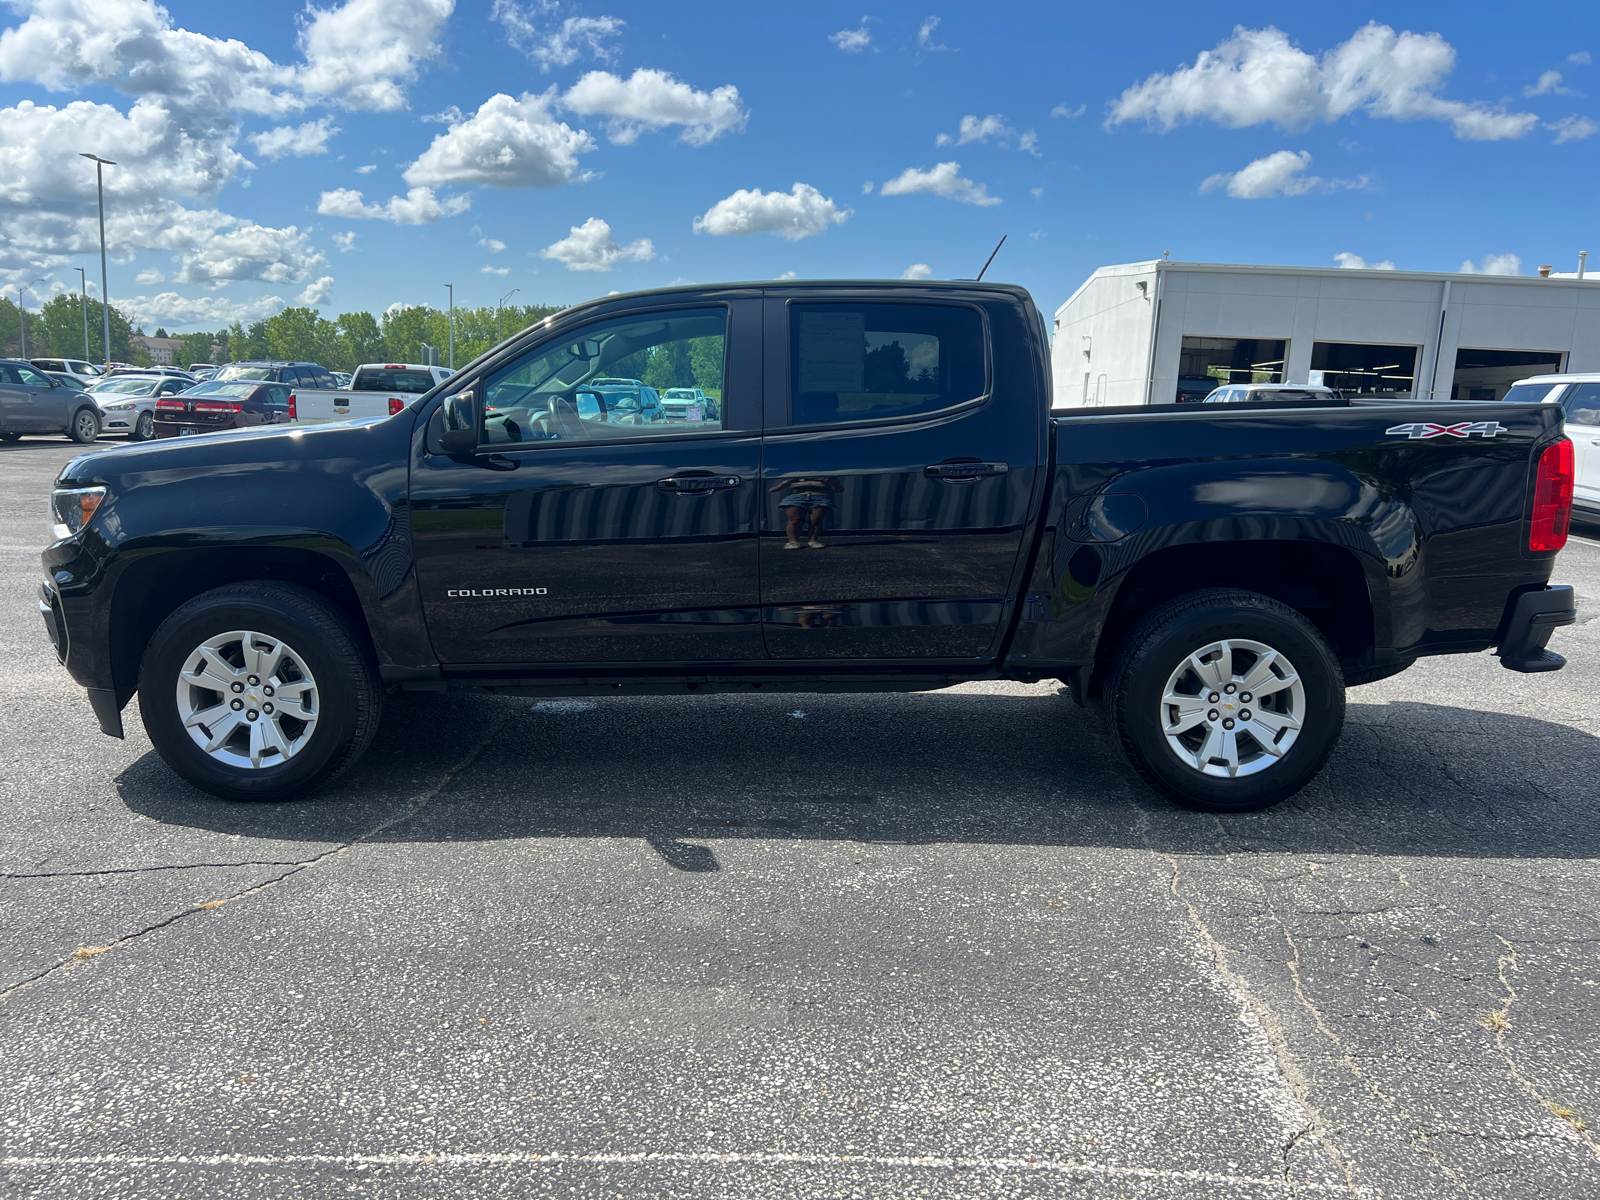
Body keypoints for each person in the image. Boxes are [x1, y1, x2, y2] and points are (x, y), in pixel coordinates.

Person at [769, 475, 843, 549]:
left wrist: (831, 482)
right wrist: (786, 483)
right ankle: (793, 541)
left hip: (821, 497)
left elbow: (839, 490)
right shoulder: (798, 475)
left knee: (816, 521)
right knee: (795, 520)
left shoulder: (826, 476)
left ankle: (813, 541)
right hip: (797, 497)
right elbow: (772, 490)